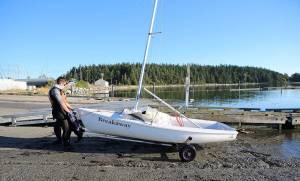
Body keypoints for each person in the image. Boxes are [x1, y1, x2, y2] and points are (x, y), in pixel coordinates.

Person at [48, 77, 72, 147]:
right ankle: (65, 142)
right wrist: (68, 111)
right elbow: (61, 102)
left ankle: (59, 139)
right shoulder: (55, 90)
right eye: (65, 84)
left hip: (61, 110)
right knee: (66, 126)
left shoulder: (61, 90)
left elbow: (65, 102)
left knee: (58, 124)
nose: (65, 85)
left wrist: (72, 108)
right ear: (61, 83)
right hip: (59, 111)